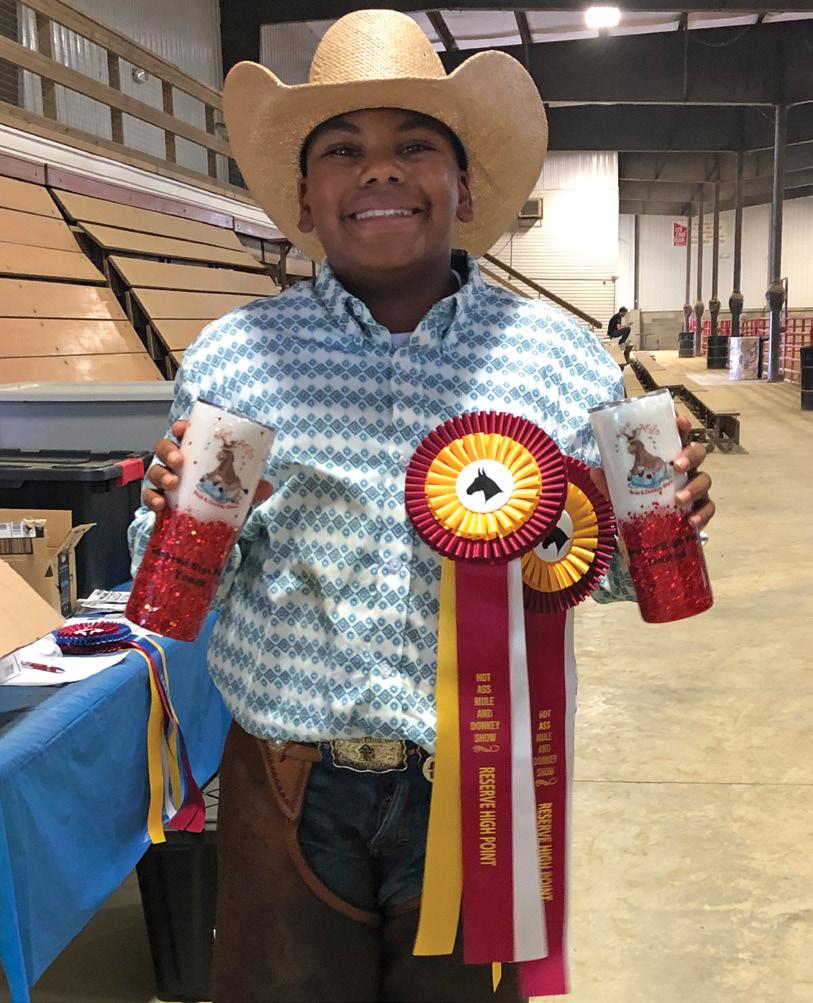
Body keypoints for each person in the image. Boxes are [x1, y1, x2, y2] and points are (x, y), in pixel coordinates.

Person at [128, 11, 716, 1002]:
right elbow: (180, 589)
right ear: (305, 197)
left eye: (414, 146)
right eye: (343, 150)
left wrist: (665, 523)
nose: (379, 171)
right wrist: (171, 520)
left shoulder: (560, 360)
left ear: (464, 186)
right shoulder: (235, 358)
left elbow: (601, 569)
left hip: (482, 793)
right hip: (287, 782)